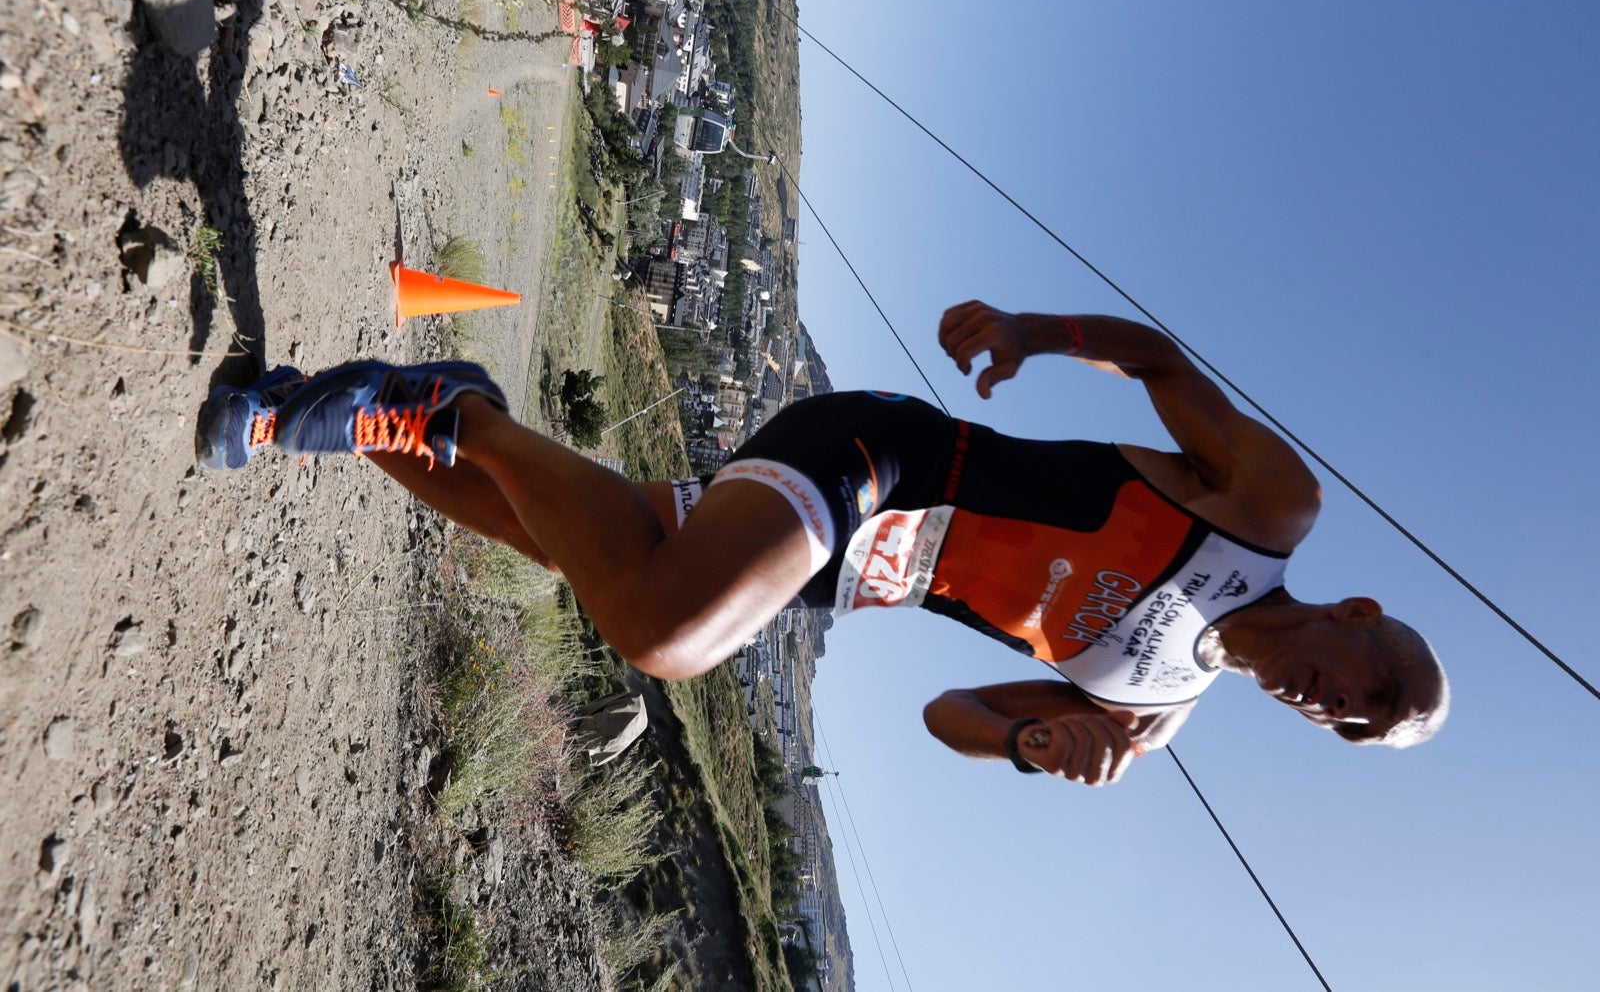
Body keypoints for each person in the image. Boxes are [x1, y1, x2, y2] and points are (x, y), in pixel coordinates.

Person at [197, 301, 1448, 786]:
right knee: (662, 631)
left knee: (570, 539)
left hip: (848, 571)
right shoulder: (1273, 512)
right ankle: (448, 403)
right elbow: (1166, 359)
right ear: (1361, 617)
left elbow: (950, 712)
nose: (1336, 708)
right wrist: (1027, 332)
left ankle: (345, 415)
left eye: (1351, 729)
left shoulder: (1151, 711)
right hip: (887, 459)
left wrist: (1026, 737)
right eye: (1372, 689)